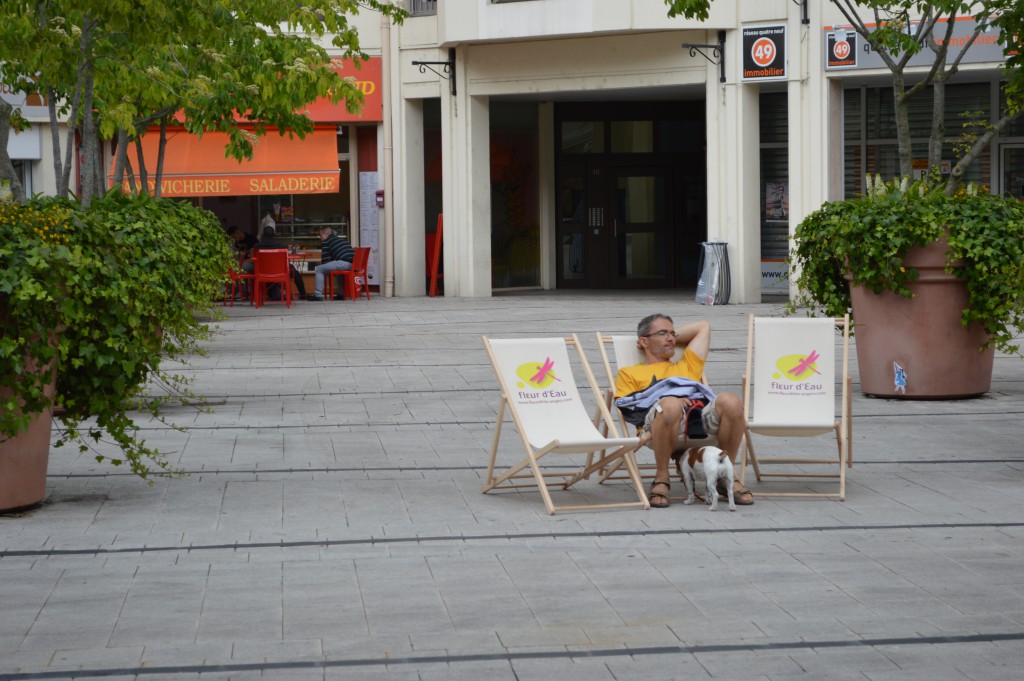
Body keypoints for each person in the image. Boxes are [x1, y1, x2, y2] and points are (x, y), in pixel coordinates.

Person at [614, 313, 753, 509]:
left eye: (673, 334)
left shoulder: (687, 364)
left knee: (731, 401)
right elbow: (629, 407)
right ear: (643, 342)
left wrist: (666, 337)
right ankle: (662, 477)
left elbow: (703, 326)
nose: (671, 338)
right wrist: (672, 400)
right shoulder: (629, 373)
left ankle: (725, 474)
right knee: (670, 404)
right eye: (663, 333)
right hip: (657, 424)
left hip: (696, 420)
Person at [251, 225, 307, 300]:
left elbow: (254, 259)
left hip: (262, 271)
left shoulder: (257, 246)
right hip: (280, 271)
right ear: (274, 234)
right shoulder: (281, 245)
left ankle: (256, 295)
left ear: (263, 235)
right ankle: (302, 294)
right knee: (295, 273)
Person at [309, 226, 354, 301]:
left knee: (319, 269)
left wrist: (322, 265)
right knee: (339, 271)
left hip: (343, 263)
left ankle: (318, 295)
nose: (320, 237)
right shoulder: (342, 240)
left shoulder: (326, 241)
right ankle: (341, 294)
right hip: (352, 265)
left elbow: (325, 260)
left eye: (320, 235)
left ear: (324, 234)